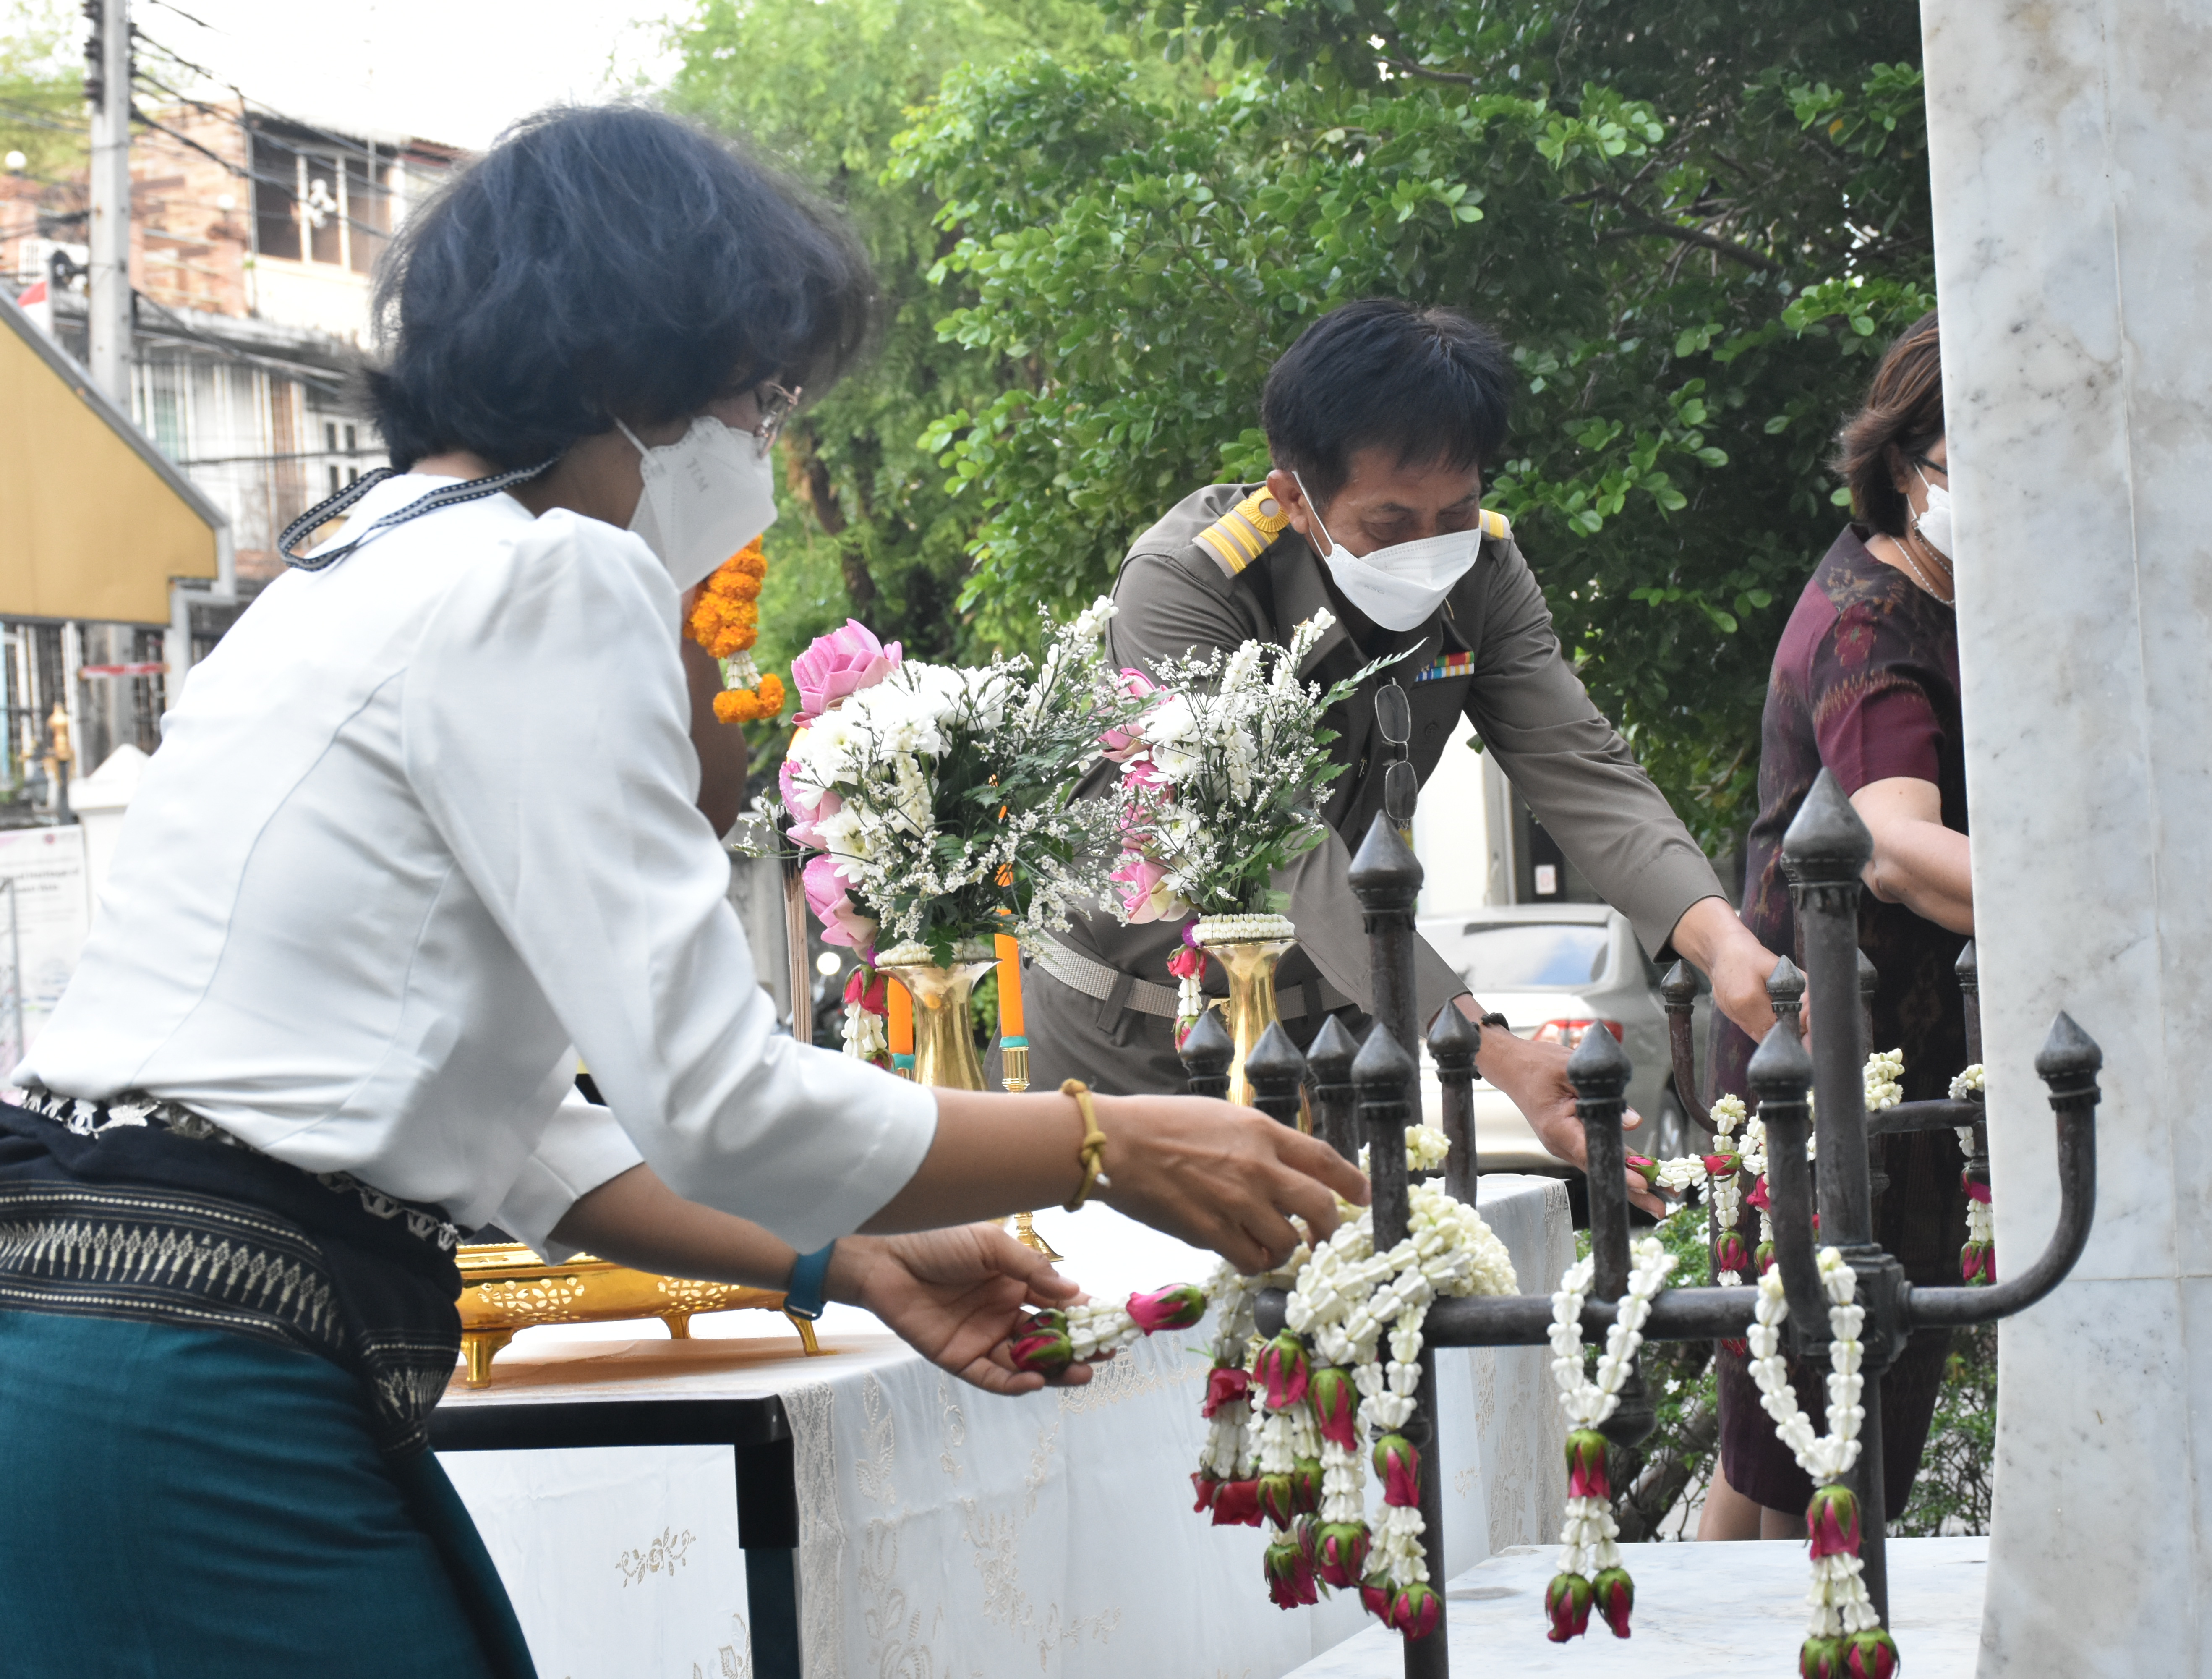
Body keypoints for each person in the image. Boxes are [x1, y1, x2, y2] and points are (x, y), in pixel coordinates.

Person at [0, 106, 1363, 1678]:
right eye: (761, 396)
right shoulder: (552, 572)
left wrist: (841, 1257)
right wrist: (1105, 1141)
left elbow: (510, 1126)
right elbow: (723, 1104)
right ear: (629, 369)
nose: (764, 448)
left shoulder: (360, 556)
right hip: (202, 1395)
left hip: (83, 1351)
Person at [1026, 301, 1781, 1183]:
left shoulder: (1483, 573)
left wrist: (1724, 943)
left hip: (1350, 1028)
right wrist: (1488, 1046)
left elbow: (1580, 765)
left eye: (1457, 511)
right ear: (1294, 500)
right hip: (1137, 1034)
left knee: (1388, 1261)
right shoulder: (1190, 585)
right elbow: (1282, 850)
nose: (1430, 548)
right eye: (1389, 525)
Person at [1700, 311, 1974, 1541]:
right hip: (1820, 1063)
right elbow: (1899, 847)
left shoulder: (1937, 596)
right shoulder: (1873, 621)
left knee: (1818, 1427)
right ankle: (1768, 1631)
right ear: (1909, 466)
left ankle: (1774, 1625)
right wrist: (2093, 913)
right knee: (1796, 1434)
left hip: (1872, 1062)